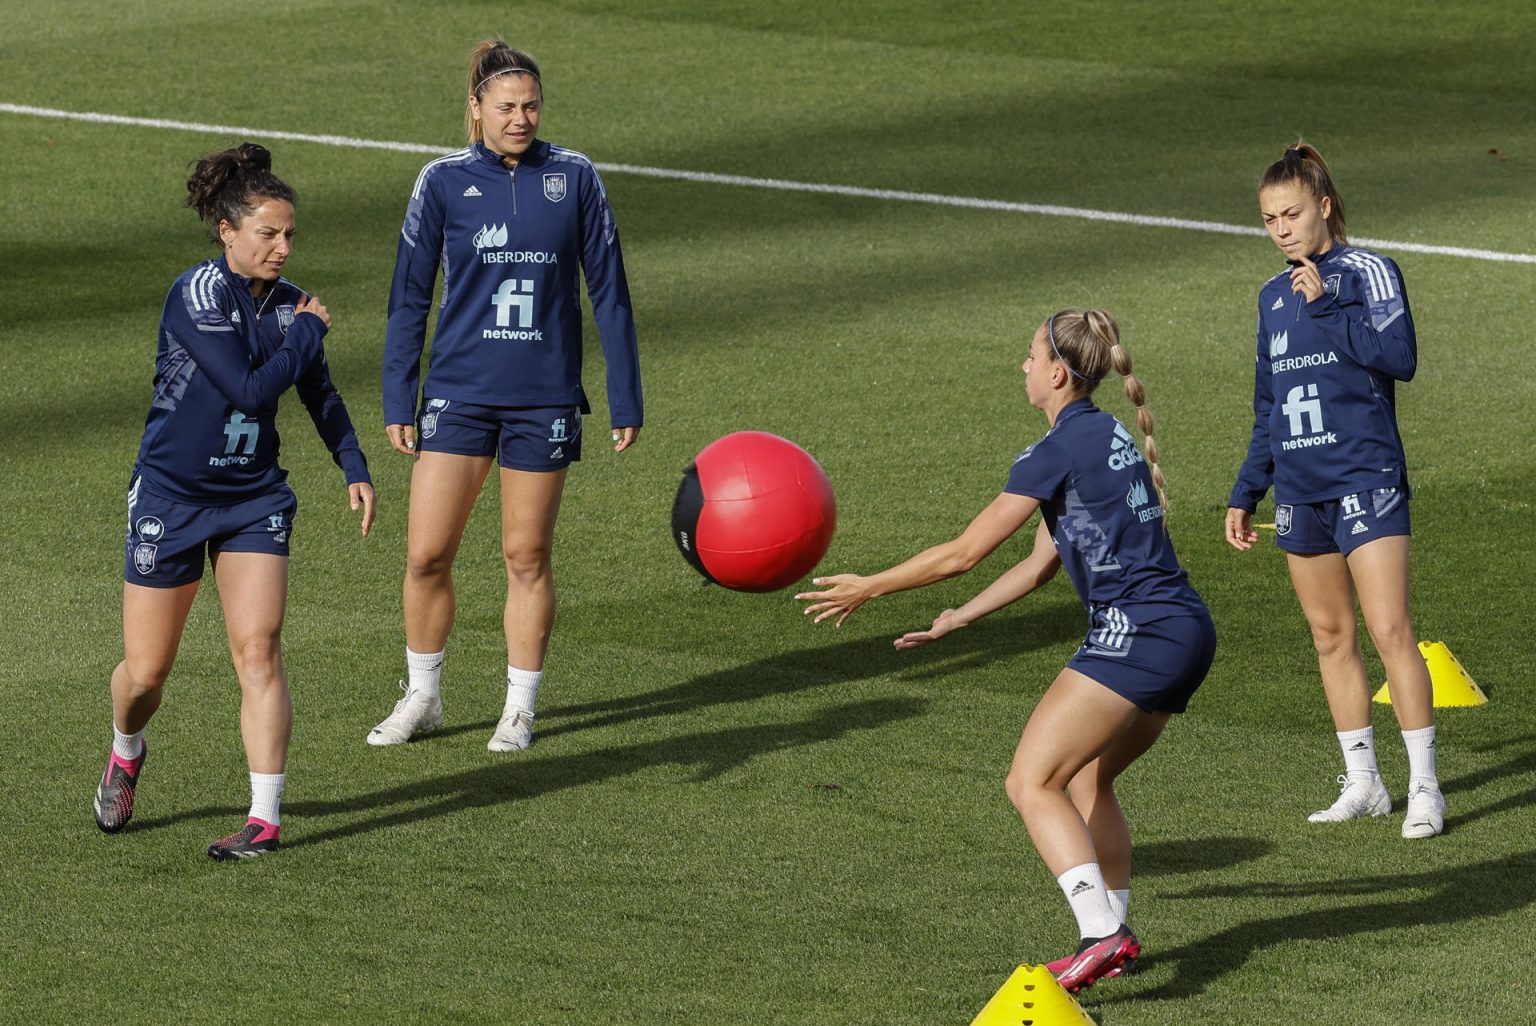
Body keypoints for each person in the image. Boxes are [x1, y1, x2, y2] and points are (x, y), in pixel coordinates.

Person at [797, 309, 1215, 991]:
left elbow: (963, 551)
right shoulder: (1102, 432)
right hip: (1184, 630)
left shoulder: (1052, 451)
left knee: (1029, 782)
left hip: (1134, 633)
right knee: (1087, 780)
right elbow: (1040, 562)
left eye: (1028, 357)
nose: (1020, 368)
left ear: (1057, 373)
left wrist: (870, 586)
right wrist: (958, 619)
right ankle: (1113, 933)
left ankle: (1101, 933)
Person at [94, 143, 375, 860]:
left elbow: (319, 393)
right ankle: (128, 748)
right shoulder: (195, 297)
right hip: (173, 497)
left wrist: (352, 463)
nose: (283, 249)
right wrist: (308, 331)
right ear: (228, 232)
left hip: (253, 498)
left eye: (289, 236)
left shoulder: (288, 305)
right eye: (268, 234)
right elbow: (250, 389)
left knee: (259, 649)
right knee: (146, 673)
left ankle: (265, 819)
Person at [370, 39, 643, 751]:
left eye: (530, 105)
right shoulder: (441, 183)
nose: (520, 118)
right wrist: (399, 396)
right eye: (506, 107)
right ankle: (423, 695)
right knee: (427, 553)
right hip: (458, 391)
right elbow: (408, 298)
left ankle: (519, 706)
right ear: (476, 109)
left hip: (543, 398)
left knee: (526, 557)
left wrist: (626, 397)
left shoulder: (575, 178)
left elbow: (609, 291)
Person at [1225, 141, 1444, 839]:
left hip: (1366, 477)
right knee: (1329, 636)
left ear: (1323, 207)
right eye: (1268, 219)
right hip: (1299, 486)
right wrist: (1245, 489)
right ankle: (1363, 783)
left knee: (1389, 632)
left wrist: (1329, 311)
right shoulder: (1270, 296)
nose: (1281, 229)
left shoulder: (1368, 272)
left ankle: (1425, 789)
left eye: (1291, 213)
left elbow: (1399, 358)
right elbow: (1269, 404)